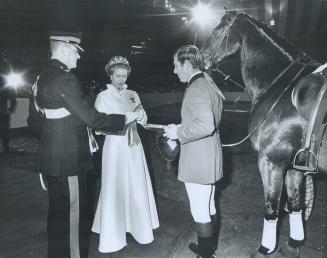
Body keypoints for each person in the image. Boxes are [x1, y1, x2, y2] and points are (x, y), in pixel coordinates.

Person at [27, 30, 139, 258]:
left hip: (52, 159)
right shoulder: (65, 78)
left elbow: (34, 123)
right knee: (73, 221)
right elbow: (91, 118)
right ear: (66, 49)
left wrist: (50, 146)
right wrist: (125, 118)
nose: (78, 57)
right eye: (76, 52)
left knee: (57, 219)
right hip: (69, 161)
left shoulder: (41, 78)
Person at [91, 56, 159, 253]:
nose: (121, 79)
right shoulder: (103, 96)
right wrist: (130, 117)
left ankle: (138, 226)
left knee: (136, 181)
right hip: (115, 145)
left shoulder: (132, 93)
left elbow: (140, 111)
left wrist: (142, 115)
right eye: (117, 76)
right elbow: (103, 123)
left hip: (133, 144)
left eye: (124, 75)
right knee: (115, 183)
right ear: (110, 76)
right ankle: (113, 231)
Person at [164, 45, 224, 258]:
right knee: (209, 206)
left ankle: (206, 255)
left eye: (176, 66)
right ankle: (208, 248)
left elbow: (205, 125)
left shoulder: (197, 88)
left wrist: (177, 131)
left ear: (187, 64)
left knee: (200, 211)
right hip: (209, 156)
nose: (174, 70)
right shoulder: (208, 82)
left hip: (198, 159)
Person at [0, 85, 16, 153]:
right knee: (5, 131)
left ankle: (6, 148)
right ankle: (6, 148)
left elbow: (13, 100)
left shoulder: (5, 89)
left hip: (3, 113)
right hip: (4, 113)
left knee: (5, 131)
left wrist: (10, 110)